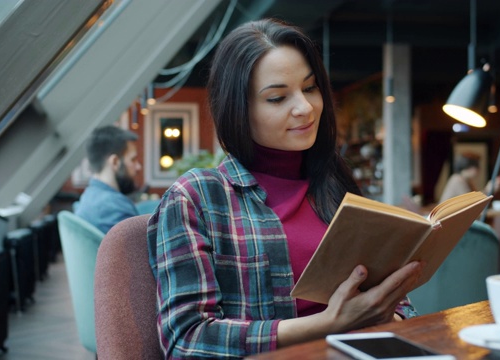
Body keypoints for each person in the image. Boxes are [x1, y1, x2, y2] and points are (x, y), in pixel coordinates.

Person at [147, 18, 423, 359]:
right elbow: (186, 340)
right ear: (237, 109)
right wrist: (328, 324)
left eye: (310, 88)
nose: (305, 108)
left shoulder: (335, 184)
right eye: (277, 97)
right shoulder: (198, 198)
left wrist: (391, 311)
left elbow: (399, 306)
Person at [75, 125, 141, 233]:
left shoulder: (89, 195)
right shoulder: (115, 208)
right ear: (115, 162)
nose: (138, 167)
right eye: (133, 159)